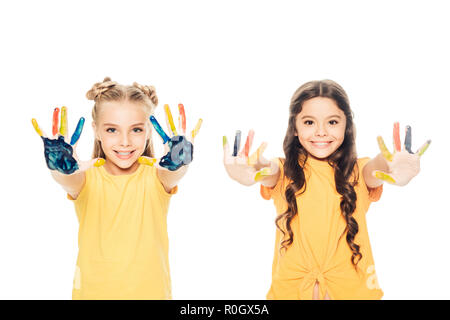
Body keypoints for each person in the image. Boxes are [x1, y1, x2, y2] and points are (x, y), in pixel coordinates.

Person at [223, 79, 430, 300]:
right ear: (294, 127)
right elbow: (266, 168)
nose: (321, 132)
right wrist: (250, 166)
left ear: (346, 126)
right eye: (309, 122)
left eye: (332, 122)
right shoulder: (283, 172)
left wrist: (392, 164)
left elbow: (377, 168)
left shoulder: (359, 171)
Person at [32, 77, 202, 299]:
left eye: (136, 130)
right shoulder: (85, 179)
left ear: (149, 130)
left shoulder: (156, 178)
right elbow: (66, 179)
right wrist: (60, 168)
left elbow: (173, 174)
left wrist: (179, 161)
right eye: (112, 130)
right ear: (96, 130)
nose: (124, 141)